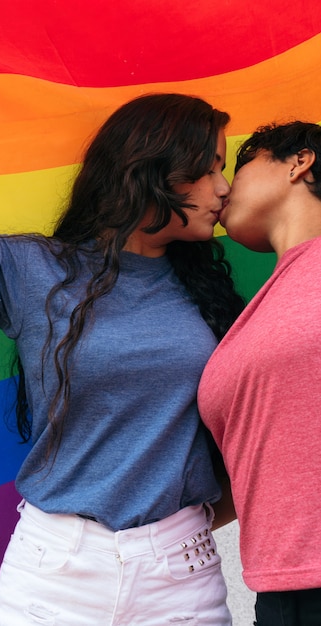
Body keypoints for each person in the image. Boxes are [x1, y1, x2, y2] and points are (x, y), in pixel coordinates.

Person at [0, 93, 244, 625]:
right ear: (151, 168)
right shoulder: (35, 270)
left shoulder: (214, 294)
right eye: (210, 167)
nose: (224, 188)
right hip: (53, 570)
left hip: (182, 576)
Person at [198, 120, 321, 626]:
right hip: (278, 591)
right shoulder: (266, 306)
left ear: (299, 161)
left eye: (239, 165)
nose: (223, 187)